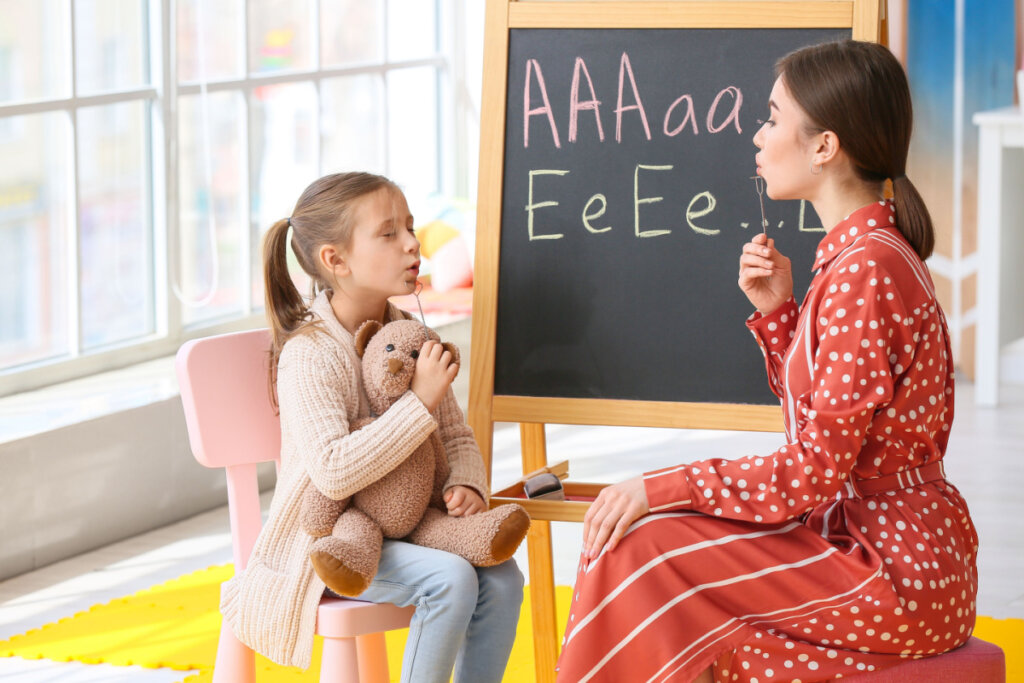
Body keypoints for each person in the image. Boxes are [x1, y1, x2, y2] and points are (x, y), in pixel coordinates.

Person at [555, 40, 978, 683]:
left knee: (643, 546)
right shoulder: (860, 255)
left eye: (773, 117)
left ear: (824, 147)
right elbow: (831, 426)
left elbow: (812, 468)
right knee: (645, 546)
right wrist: (782, 314)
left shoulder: (867, 268)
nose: (757, 136)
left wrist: (661, 485)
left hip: (891, 566)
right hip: (880, 545)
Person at [219, 172, 524, 683]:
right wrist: (418, 401)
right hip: (336, 539)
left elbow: (455, 436)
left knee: (503, 579)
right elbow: (334, 472)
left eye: (409, 226)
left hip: (411, 523)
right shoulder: (310, 354)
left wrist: (466, 482)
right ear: (335, 260)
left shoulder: (407, 333)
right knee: (450, 579)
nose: (412, 242)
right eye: (389, 233)